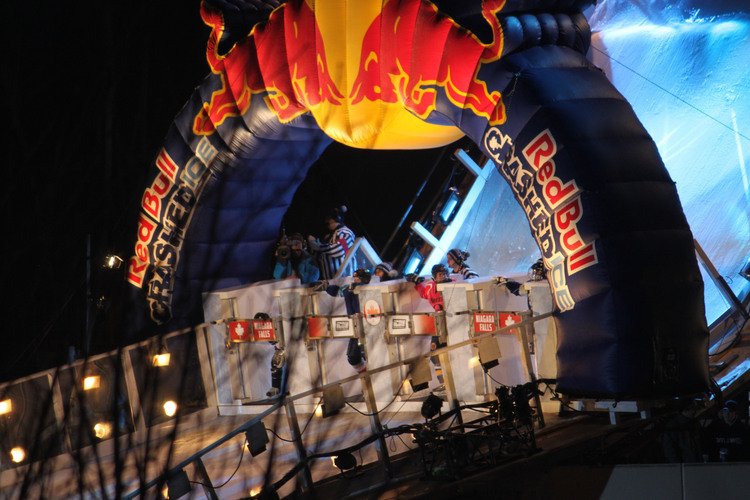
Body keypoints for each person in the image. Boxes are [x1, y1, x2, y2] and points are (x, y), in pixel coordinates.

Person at [406, 263, 453, 391]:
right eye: (440, 274)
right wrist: (417, 282)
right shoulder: (430, 287)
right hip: (438, 326)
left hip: (452, 323)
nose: (443, 276)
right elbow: (423, 293)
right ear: (434, 277)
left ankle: (453, 381)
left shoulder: (453, 284)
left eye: (445, 274)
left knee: (452, 353)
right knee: (436, 355)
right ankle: (445, 382)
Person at [320, 268, 371, 374]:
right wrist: (327, 287)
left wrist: (358, 287)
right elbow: (338, 291)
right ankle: (366, 377)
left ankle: (374, 378)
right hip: (355, 326)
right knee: (353, 357)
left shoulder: (371, 288)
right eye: (354, 278)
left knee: (368, 355)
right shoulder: (350, 288)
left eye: (357, 279)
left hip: (368, 326)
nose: (355, 280)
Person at [308, 206, 356, 280]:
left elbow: (340, 250)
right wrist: (312, 246)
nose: (326, 221)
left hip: (345, 279)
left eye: (329, 219)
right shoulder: (329, 236)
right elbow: (317, 257)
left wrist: (318, 247)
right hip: (330, 281)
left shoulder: (345, 232)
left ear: (336, 219)